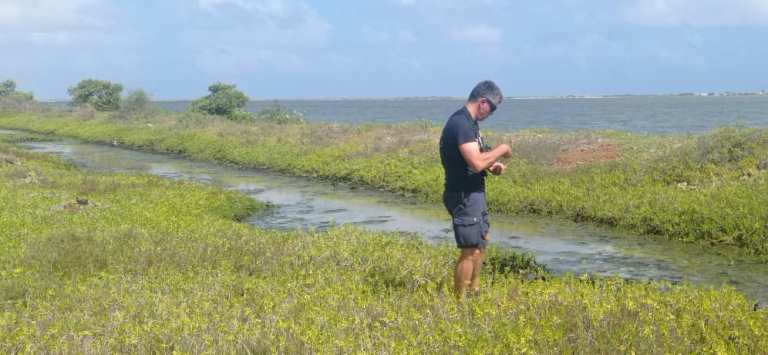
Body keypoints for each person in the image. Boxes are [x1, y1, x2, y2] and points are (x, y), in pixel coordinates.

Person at [439, 80, 512, 301]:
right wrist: (502, 149)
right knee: (469, 251)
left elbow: (479, 158)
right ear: (482, 102)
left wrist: (493, 165)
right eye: (493, 108)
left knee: (481, 243)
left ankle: (474, 292)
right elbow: (476, 163)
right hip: (463, 195)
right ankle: (459, 302)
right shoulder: (460, 123)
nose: (491, 114)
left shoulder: (470, 125)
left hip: (474, 194)